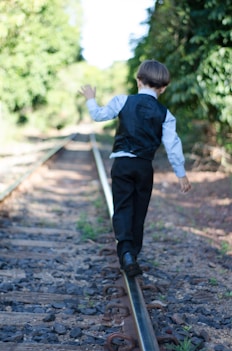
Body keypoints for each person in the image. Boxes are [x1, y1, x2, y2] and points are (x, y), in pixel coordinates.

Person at [80, 59, 191, 277]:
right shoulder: (166, 114)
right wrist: (181, 174)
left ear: (138, 81)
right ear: (164, 88)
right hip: (144, 167)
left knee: (122, 207)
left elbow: (99, 115)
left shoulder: (122, 101)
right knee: (139, 212)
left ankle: (126, 253)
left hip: (122, 164)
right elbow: (172, 145)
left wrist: (91, 100)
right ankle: (133, 254)